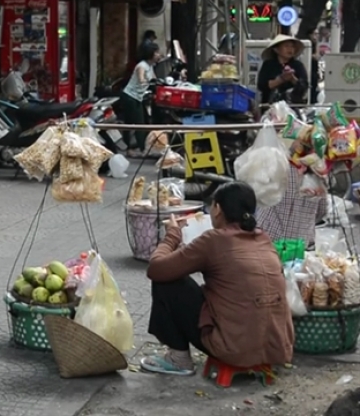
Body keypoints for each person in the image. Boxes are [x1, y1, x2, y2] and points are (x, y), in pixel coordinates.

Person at [141, 182, 294, 375]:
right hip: (277, 347)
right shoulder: (264, 239)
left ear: (218, 209)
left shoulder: (214, 239)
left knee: (168, 281)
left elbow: (156, 269)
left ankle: (179, 359)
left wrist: (172, 234)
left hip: (233, 348)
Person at [257, 164, 327, 248]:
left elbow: (260, 196)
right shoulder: (320, 171)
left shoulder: (277, 163)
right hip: (299, 242)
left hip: (269, 235)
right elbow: (322, 210)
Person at [121, 42, 161, 158]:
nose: (159, 55)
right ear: (150, 54)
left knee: (135, 123)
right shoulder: (141, 66)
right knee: (139, 124)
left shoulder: (150, 66)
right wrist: (147, 82)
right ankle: (141, 149)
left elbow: (154, 79)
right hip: (130, 97)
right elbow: (141, 78)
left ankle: (130, 148)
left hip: (137, 97)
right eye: (157, 52)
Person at [257, 34, 309, 105]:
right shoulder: (268, 65)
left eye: (292, 46)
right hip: (271, 107)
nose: (290, 49)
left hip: (293, 107)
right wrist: (281, 79)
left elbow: (304, 87)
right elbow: (262, 85)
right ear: (276, 49)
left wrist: (292, 78)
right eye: (286, 46)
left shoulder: (298, 65)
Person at [307, 29, 320, 104]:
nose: (316, 36)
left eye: (317, 34)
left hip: (314, 71)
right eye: (314, 34)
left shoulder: (315, 44)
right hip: (308, 70)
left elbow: (317, 56)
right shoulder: (307, 44)